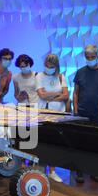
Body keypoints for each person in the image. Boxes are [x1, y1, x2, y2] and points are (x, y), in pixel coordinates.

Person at [73, 45, 98, 183]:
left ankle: (95, 172)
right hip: (82, 114)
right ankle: (79, 172)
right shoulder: (80, 72)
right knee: (80, 143)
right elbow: (76, 92)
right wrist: (76, 109)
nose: (90, 59)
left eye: (92, 57)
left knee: (97, 144)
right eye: (87, 57)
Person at [36, 54, 69, 183]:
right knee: (43, 142)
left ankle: (52, 171)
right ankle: (42, 170)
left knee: (54, 143)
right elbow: (42, 95)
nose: (48, 68)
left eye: (51, 66)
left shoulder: (61, 77)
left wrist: (52, 95)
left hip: (58, 114)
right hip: (43, 113)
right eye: (47, 65)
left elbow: (66, 95)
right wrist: (57, 93)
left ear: (56, 66)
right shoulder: (39, 76)